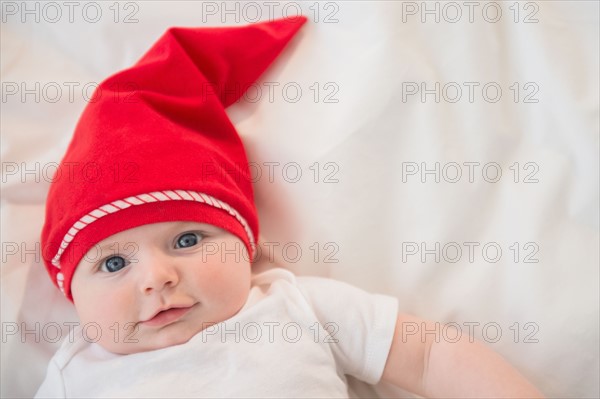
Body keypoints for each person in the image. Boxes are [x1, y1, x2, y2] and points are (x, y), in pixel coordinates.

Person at [35, 16, 544, 398]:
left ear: (245, 245)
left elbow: (429, 355)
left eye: (188, 240)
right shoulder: (74, 374)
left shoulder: (295, 306)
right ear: (70, 292)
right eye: (114, 263)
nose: (157, 278)